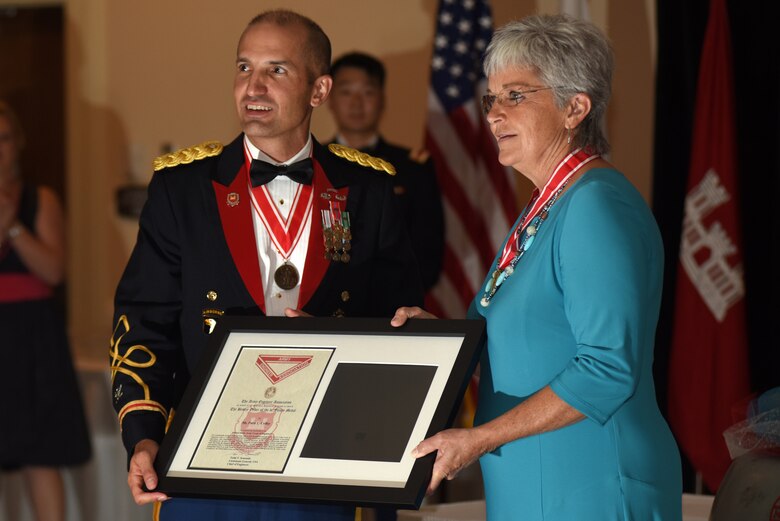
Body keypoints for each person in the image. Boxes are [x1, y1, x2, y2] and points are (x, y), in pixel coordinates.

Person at [109, 9, 423, 521]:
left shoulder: (369, 190)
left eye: (276, 70)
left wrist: (338, 347)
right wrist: (143, 436)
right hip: (207, 460)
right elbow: (143, 322)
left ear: (319, 91)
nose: (253, 86)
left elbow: (404, 321)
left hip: (331, 457)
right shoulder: (182, 189)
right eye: (242, 67)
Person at [391, 15, 683, 520]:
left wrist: (479, 439)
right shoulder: (543, 208)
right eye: (491, 99)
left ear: (576, 108)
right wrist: (435, 335)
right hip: (533, 482)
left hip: (592, 481)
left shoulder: (595, 205)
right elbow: (528, 343)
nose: (493, 114)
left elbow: (608, 368)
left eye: (515, 96)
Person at [0, 100, 91, 521]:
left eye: (3, 138)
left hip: (33, 338)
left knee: (41, 452)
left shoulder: (42, 199)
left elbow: (54, 270)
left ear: (17, 143)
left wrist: (12, 226)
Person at [328, 52, 444, 291]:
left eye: (367, 93)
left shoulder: (413, 167)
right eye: (346, 92)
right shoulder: (314, 161)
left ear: (382, 99)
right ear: (328, 98)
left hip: (392, 312)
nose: (356, 103)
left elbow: (428, 251)